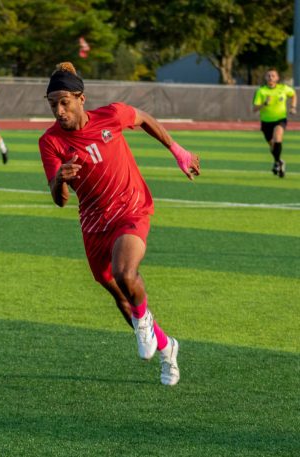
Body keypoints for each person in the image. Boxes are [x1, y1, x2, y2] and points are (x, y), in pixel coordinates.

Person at [38, 62, 201, 386]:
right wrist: (60, 180)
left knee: (126, 273)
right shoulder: (50, 142)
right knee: (118, 293)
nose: (58, 111)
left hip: (131, 208)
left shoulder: (111, 115)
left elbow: (143, 118)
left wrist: (177, 150)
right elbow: (60, 200)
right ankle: (168, 348)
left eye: (64, 102)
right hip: (93, 223)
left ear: (81, 99)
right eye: (52, 104)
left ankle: (144, 321)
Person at [252, 69, 296, 178]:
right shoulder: (261, 91)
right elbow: (255, 108)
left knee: (277, 139)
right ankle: (278, 161)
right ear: (266, 78)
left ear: (277, 78)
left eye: (273, 75)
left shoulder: (283, 88)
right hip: (266, 122)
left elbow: (293, 94)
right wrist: (264, 103)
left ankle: (277, 163)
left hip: (280, 119)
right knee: (272, 146)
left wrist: (293, 107)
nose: (271, 77)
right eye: (268, 75)